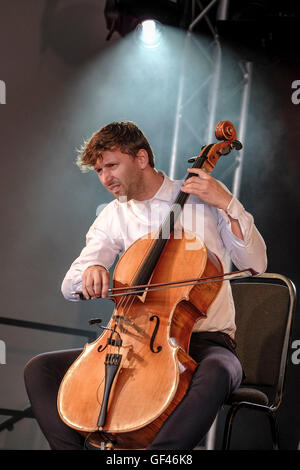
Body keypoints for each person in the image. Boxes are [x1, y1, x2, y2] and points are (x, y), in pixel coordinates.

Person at [24, 121, 267, 450]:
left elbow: (255, 264)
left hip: (205, 343)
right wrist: (92, 269)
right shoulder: (114, 215)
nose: (106, 178)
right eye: (98, 170)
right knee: (41, 369)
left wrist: (227, 204)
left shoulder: (203, 198)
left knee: (220, 371)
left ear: (141, 158)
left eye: (112, 165)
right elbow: (71, 282)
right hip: (135, 342)